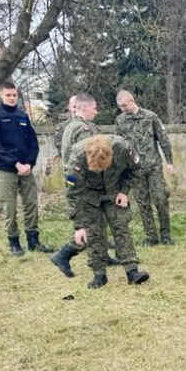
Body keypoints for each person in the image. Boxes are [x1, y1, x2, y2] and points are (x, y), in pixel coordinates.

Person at [64, 134, 149, 289]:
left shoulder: (122, 148)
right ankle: (99, 275)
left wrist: (124, 191)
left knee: (121, 227)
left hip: (114, 191)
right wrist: (78, 226)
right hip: (89, 195)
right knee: (93, 232)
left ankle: (132, 271)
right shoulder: (77, 157)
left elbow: (137, 169)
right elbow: (72, 193)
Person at [0, 80, 53, 256]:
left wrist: (29, 163)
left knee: (31, 204)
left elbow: (33, 143)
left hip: (26, 169)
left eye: (14, 95)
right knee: (9, 207)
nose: (12, 98)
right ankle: (14, 242)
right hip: (7, 170)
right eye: (8, 95)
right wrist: (15, 163)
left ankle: (33, 241)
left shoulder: (22, 116)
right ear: (0, 95)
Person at [48, 93, 113, 278]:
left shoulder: (72, 126)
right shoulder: (82, 129)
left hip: (77, 179)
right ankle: (64, 254)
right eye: (94, 108)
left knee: (98, 221)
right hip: (84, 182)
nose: (96, 111)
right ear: (84, 107)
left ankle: (103, 256)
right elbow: (90, 156)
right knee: (90, 224)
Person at [115, 90, 176, 245]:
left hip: (153, 166)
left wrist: (169, 162)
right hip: (134, 170)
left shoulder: (150, 117)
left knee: (161, 199)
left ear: (132, 101)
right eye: (120, 106)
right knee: (143, 203)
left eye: (124, 105)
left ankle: (166, 235)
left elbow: (163, 140)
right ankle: (151, 236)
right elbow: (119, 145)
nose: (122, 109)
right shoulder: (120, 121)